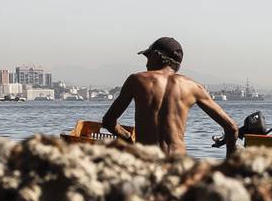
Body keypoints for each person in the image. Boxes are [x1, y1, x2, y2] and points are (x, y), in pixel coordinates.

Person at [102, 37, 240, 156]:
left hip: (148, 161)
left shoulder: (137, 80)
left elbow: (108, 121)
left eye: (148, 57)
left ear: (156, 56)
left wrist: (128, 139)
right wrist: (230, 163)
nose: (146, 63)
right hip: (178, 166)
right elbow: (232, 128)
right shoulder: (194, 87)